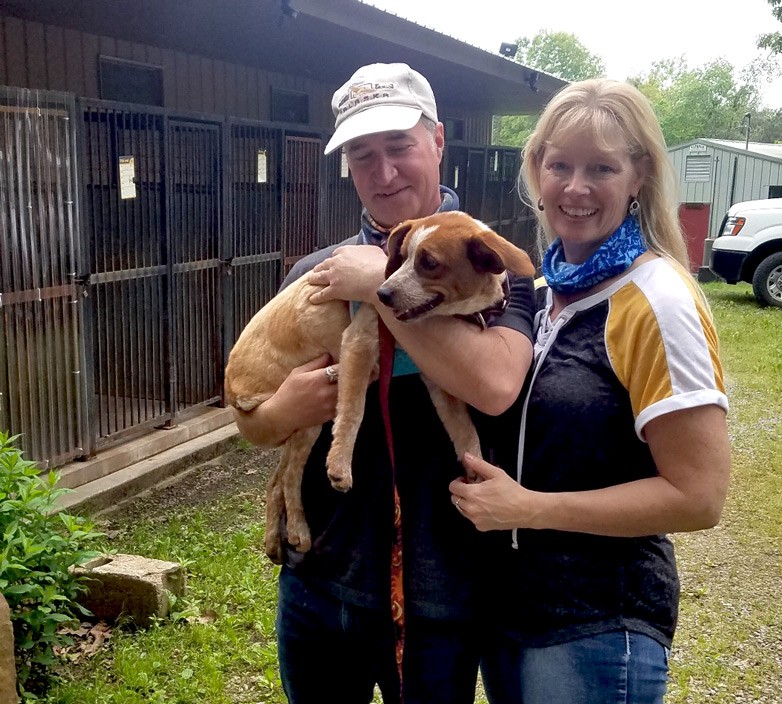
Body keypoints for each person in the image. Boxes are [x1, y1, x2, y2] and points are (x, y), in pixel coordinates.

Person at [233, 62, 535, 704]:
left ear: (438, 141)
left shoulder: (489, 262)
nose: (384, 172)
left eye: (399, 147)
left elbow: (496, 385)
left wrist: (379, 282)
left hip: (439, 592)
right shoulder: (317, 272)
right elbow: (253, 425)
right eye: (363, 155)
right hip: (319, 584)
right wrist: (281, 409)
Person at [449, 78, 731, 704]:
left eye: (601, 167)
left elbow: (699, 496)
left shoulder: (658, 300)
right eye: (560, 165)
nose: (575, 188)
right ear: (536, 172)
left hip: (597, 625)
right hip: (509, 618)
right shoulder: (542, 291)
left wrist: (531, 508)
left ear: (639, 177)